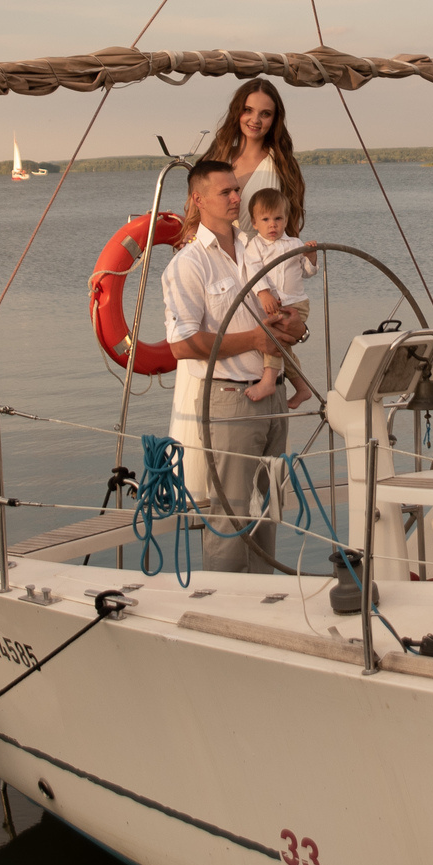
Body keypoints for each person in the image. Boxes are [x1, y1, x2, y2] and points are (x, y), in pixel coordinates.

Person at [161, 159, 306, 572]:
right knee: (230, 516)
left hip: (273, 398)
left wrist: (295, 328)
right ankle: (221, 603)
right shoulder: (187, 265)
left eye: (236, 190)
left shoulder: (257, 249)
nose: (235, 197)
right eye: (224, 192)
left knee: (269, 511)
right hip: (232, 400)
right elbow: (183, 345)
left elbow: (283, 318)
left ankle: (265, 600)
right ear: (198, 199)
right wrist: (255, 340)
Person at [201, 77, 307, 244]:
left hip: (267, 262)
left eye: (265, 114)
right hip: (219, 258)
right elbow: (196, 217)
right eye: (248, 110)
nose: (255, 120)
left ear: (274, 119)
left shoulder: (284, 165)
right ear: (237, 112)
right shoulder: (216, 160)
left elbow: (291, 227)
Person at [240, 186, 313, 408]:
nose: (273, 224)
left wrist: (311, 256)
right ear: (254, 223)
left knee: (273, 337)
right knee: (280, 344)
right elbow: (252, 269)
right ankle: (303, 388)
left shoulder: (294, 244)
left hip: (296, 303)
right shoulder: (255, 246)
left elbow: (308, 272)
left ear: (286, 219)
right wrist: (263, 292)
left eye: (278, 219)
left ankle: (269, 381)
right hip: (273, 303)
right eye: (266, 219)